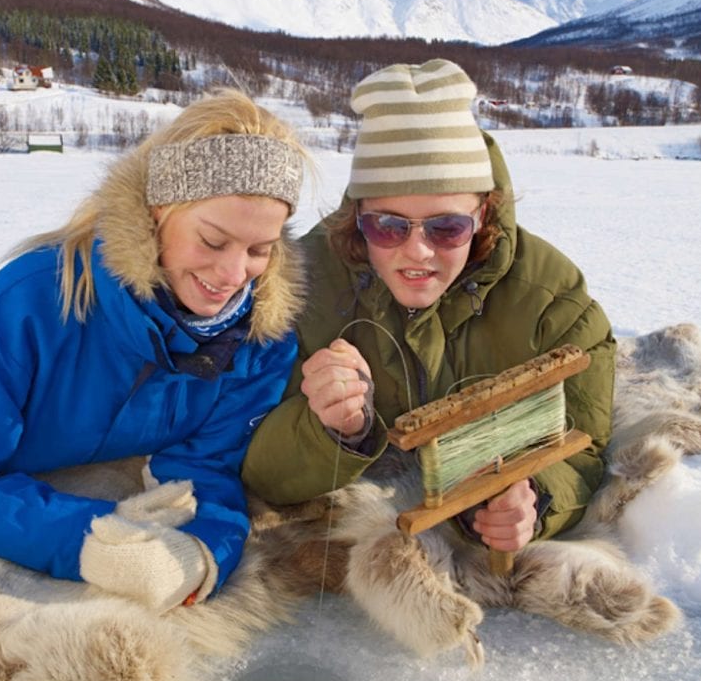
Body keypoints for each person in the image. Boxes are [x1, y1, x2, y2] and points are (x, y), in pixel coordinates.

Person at [0, 89, 309, 613]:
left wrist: (203, 552)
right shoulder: (26, 305)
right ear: (158, 211)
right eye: (212, 241)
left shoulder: (258, 343)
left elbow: (209, 467)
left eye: (259, 250)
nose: (233, 277)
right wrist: (87, 543)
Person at [242, 59, 615, 553]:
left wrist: (537, 499)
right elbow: (254, 466)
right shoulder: (296, 288)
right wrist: (334, 431)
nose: (416, 252)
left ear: (482, 216)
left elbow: (583, 442)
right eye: (388, 226)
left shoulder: (552, 300)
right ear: (357, 218)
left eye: (446, 228)